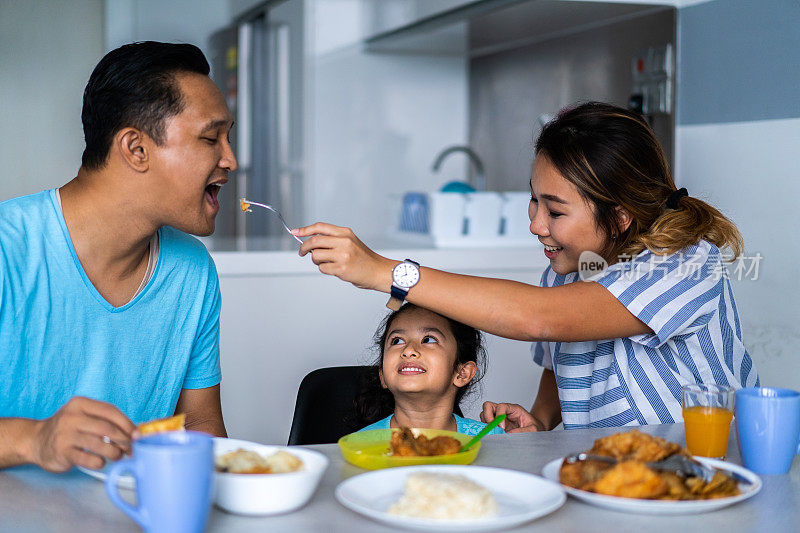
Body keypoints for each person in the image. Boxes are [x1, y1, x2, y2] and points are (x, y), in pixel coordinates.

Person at [293, 101, 759, 432]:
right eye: (533, 200)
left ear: (620, 217)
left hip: (705, 476)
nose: (536, 224)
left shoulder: (684, 263)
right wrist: (541, 419)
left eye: (555, 211)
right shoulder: (566, 270)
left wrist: (385, 271)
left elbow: (540, 318)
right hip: (612, 480)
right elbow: (561, 357)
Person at [0, 41, 235, 472]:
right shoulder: (7, 248)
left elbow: (200, 427)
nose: (230, 160)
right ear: (136, 148)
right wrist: (34, 439)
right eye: (210, 139)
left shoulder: (192, 271)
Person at [354, 303, 504, 436]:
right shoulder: (360, 444)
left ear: (462, 373)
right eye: (397, 341)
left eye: (428, 339)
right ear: (382, 376)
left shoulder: (491, 439)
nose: (408, 350)